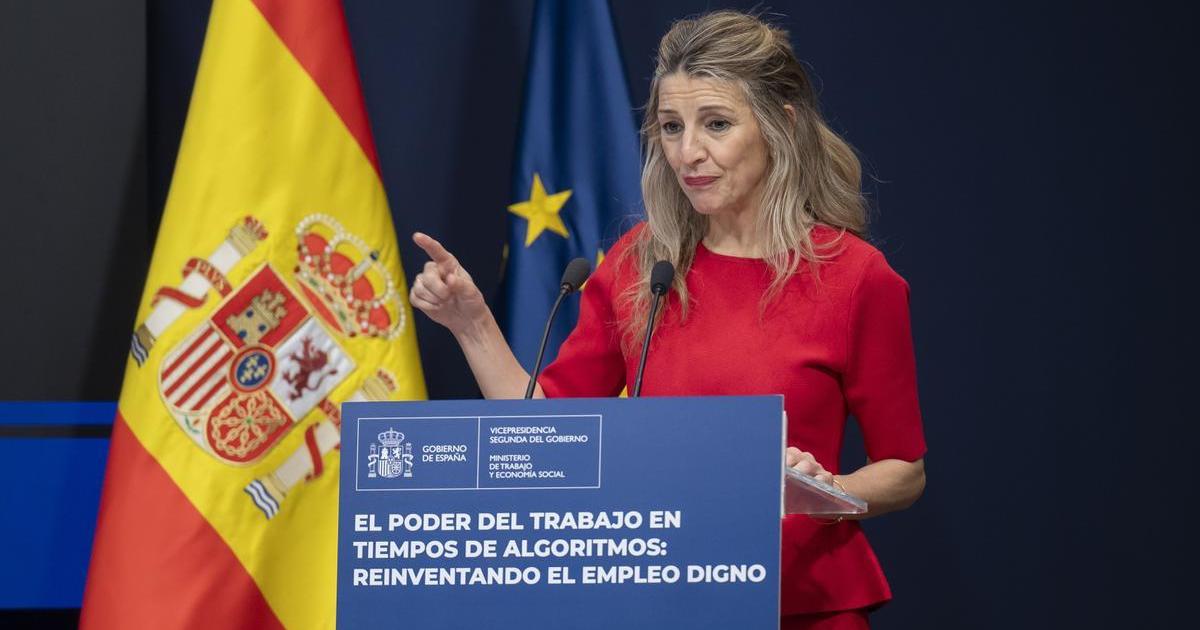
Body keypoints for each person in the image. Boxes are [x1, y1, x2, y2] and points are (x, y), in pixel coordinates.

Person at [408, 10, 926, 630]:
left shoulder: (855, 276)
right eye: (672, 127)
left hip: (800, 602)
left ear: (781, 127)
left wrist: (828, 491)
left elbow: (904, 470)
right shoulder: (642, 265)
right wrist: (471, 324)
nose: (688, 153)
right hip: (660, 597)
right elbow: (545, 434)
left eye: (717, 124)